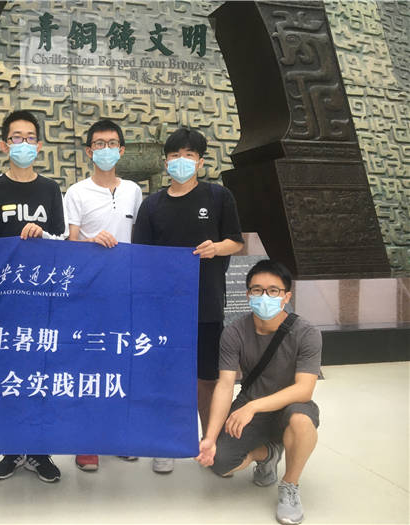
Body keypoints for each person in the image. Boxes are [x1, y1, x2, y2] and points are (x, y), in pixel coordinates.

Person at [132, 127, 244, 474]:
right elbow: (140, 256)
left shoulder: (218, 197)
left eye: (189, 155)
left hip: (206, 305)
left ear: (200, 161)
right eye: (175, 155)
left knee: (206, 379)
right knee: (165, 377)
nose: (182, 161)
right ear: (166, 162)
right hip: (164, 308)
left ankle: (208, 441)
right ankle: (165, 443)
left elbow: (236, 241)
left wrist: (217, 248)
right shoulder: (152, 205)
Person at [196, 260, 321, 525]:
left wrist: (253, 407)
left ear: (286, 296)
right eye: (257, 290)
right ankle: (268, 454)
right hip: (249, 404)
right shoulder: (234, 333)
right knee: (220, 463)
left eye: (273, 291)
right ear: (248, 295)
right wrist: (210, 437)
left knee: (301, 422)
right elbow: (225, 385)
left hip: (291, 405)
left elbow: (304, 389)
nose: (264, 296)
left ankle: (290, 485)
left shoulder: (306, 333)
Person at [0, 109, 64, 483]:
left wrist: (42, 236)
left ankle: (40, 451)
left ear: (40, 145)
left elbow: (62, 240)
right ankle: (12, 449)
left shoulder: (50, 189)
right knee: (9, 375)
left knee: (41, 374)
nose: (24, 144)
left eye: (30, 138)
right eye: (16, 138)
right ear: (4, 145)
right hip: (3, 298)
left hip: (41, 296)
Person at [64, 118, 143, 471]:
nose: (106, 149)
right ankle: (87, 441)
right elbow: (70, 242)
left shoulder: (133, 191)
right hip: (88, 291)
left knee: (121, 362)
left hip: (124, 291)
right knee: (89, 364)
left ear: (121, 150)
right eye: (99, 144)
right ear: (89, 151)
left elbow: (139, 238)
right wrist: (91, 241)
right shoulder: (76, 192)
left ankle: (119, 435)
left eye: (112, 144)